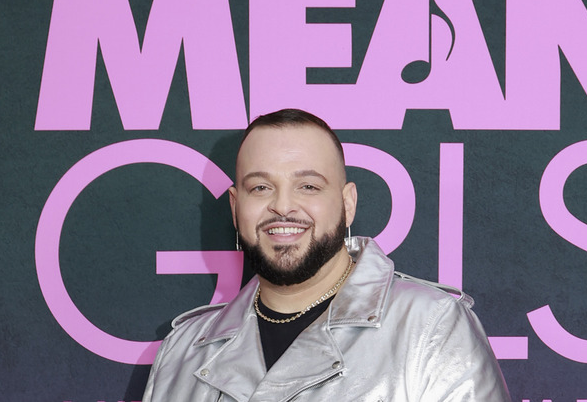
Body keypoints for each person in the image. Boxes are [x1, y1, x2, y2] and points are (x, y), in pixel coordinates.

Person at [142, 109, 511, 401]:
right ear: (236, 207)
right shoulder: (183, 350)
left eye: (308, 186)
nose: (282, 206)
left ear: (347, 204)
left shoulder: (431, 328)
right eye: (260, 187)